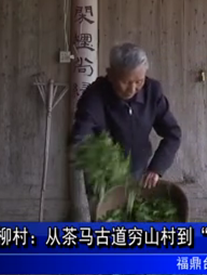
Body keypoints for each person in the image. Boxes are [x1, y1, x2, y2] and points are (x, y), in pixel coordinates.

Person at [69, 43, 182, 192]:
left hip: (138, 170)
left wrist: (156, 168)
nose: (132, 89)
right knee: (107, 213)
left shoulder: (152, 92)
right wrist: (88, 157)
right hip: (102, 174)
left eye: (139, 82)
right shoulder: (95, 95)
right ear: (110, 74)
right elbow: (81, 134)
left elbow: (173, 134)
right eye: (126, 82)